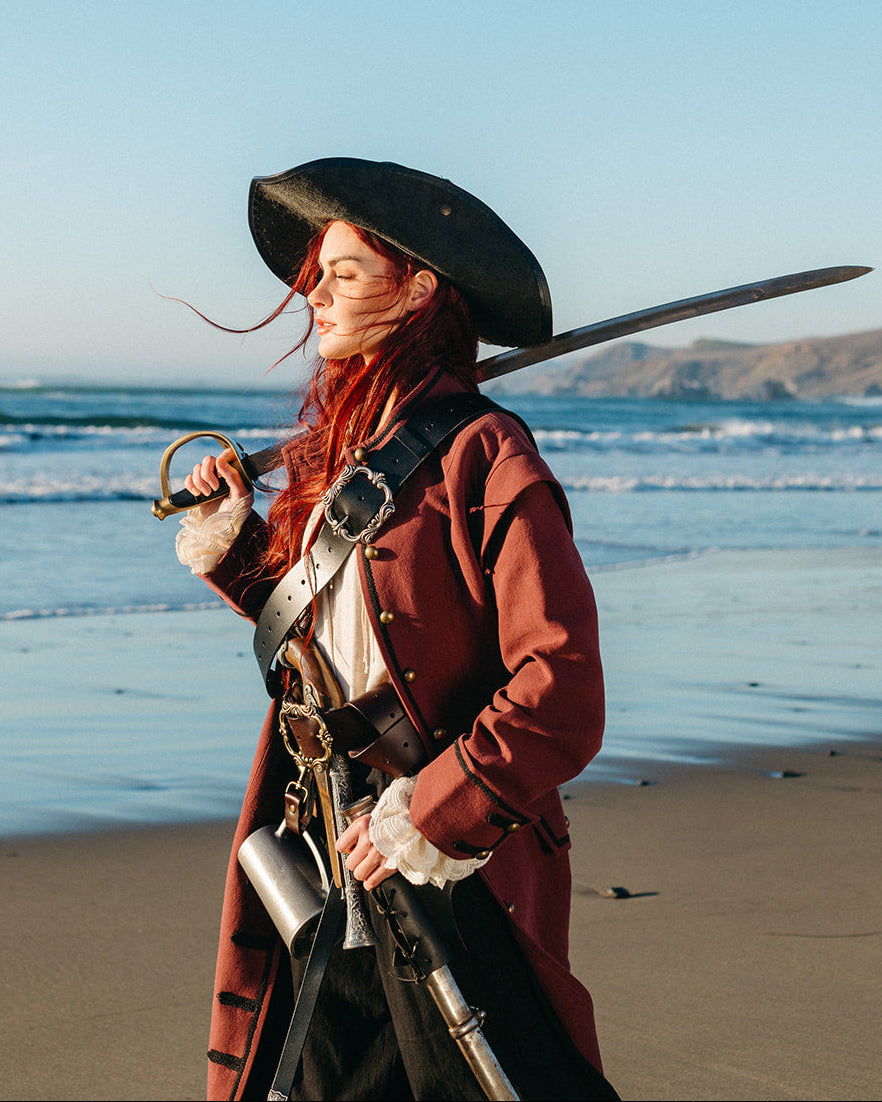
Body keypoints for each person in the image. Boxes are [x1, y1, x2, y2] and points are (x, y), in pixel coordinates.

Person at [173, 157, 617, 1102]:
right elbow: (323, 632)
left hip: (444, 850)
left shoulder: (486, 450)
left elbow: (562, 688)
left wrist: (430, 811)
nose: (315, 297)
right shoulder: (339, 454)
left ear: (416, 289)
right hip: (321, 831)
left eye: (343, 274)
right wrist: (233, 536)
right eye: (317, 276)